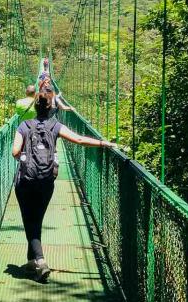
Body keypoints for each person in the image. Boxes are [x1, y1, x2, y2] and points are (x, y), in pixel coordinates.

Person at [12, 87, 115, 281]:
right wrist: (103, 143)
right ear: (51, 107)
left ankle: (40, 261)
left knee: (29, 219)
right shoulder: (55, 126)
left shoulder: (24, 126)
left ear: (35, 106)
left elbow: (15, 152)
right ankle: (30, 262)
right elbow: (79, 139)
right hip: (46, 180)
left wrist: (26, 155)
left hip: (26, 180)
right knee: (37, 219)